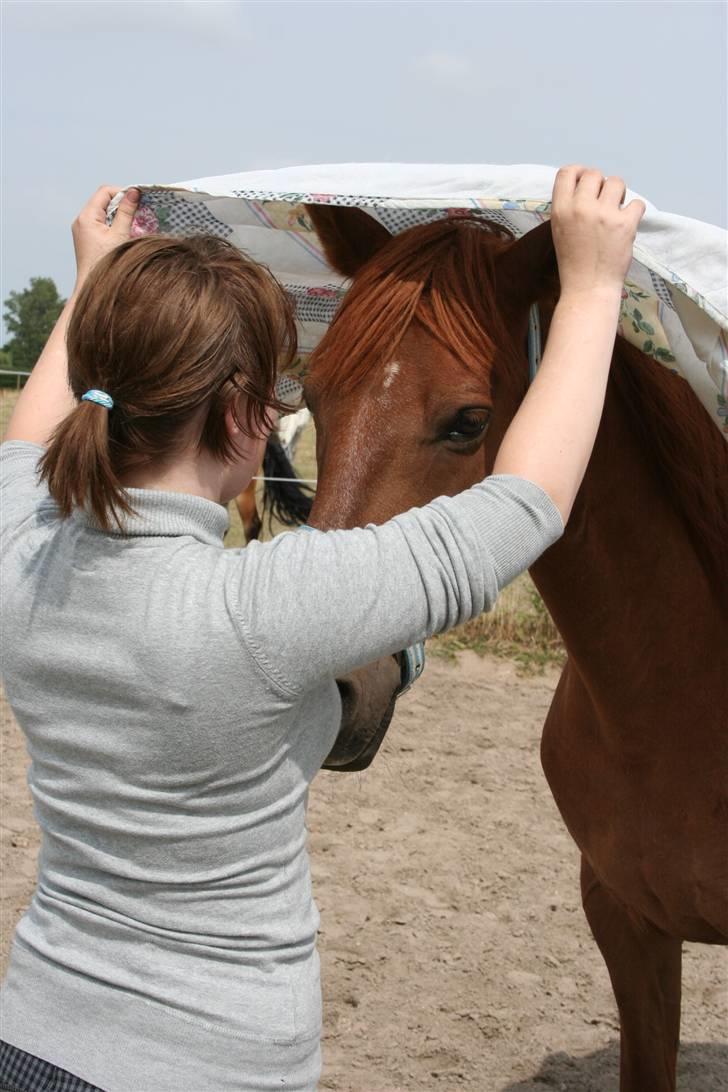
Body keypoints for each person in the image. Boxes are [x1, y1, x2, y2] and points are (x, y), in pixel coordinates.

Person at [0, 169, 644, 1092]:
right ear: (241, 418)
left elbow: (27, 442)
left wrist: (93, 279)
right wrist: (592, 287)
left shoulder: (20, 552)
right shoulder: (267, 609)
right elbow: (527, 504)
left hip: (30, 1037)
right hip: (214, 1069)